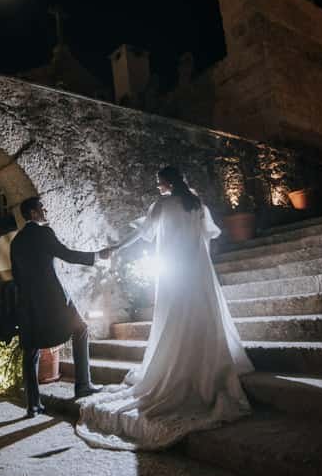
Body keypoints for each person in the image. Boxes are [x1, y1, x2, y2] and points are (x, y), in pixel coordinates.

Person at [75, 166, 253, 450]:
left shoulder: (162, 204)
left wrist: (116, 248)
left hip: (175, 272)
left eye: (159, 182)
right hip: (198, 271)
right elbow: (210, 235)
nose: (157, 186)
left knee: (176, 318)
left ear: (168, 182)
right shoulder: (196, 203)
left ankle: (181, 366)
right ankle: (208, 362)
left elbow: (142, 233)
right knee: (201, 315)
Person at [11, 197, 111, 417]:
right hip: (54, 299)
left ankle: (33, 404)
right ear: (33, 213)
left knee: (31, 349)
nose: (45, 210)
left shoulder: (16, 242)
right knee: (82, 329)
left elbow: (16, 277)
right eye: (41, 207)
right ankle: (83, 385)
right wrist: (97, 255)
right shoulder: (43, 233)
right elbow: (67, 254)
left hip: (28, 303)